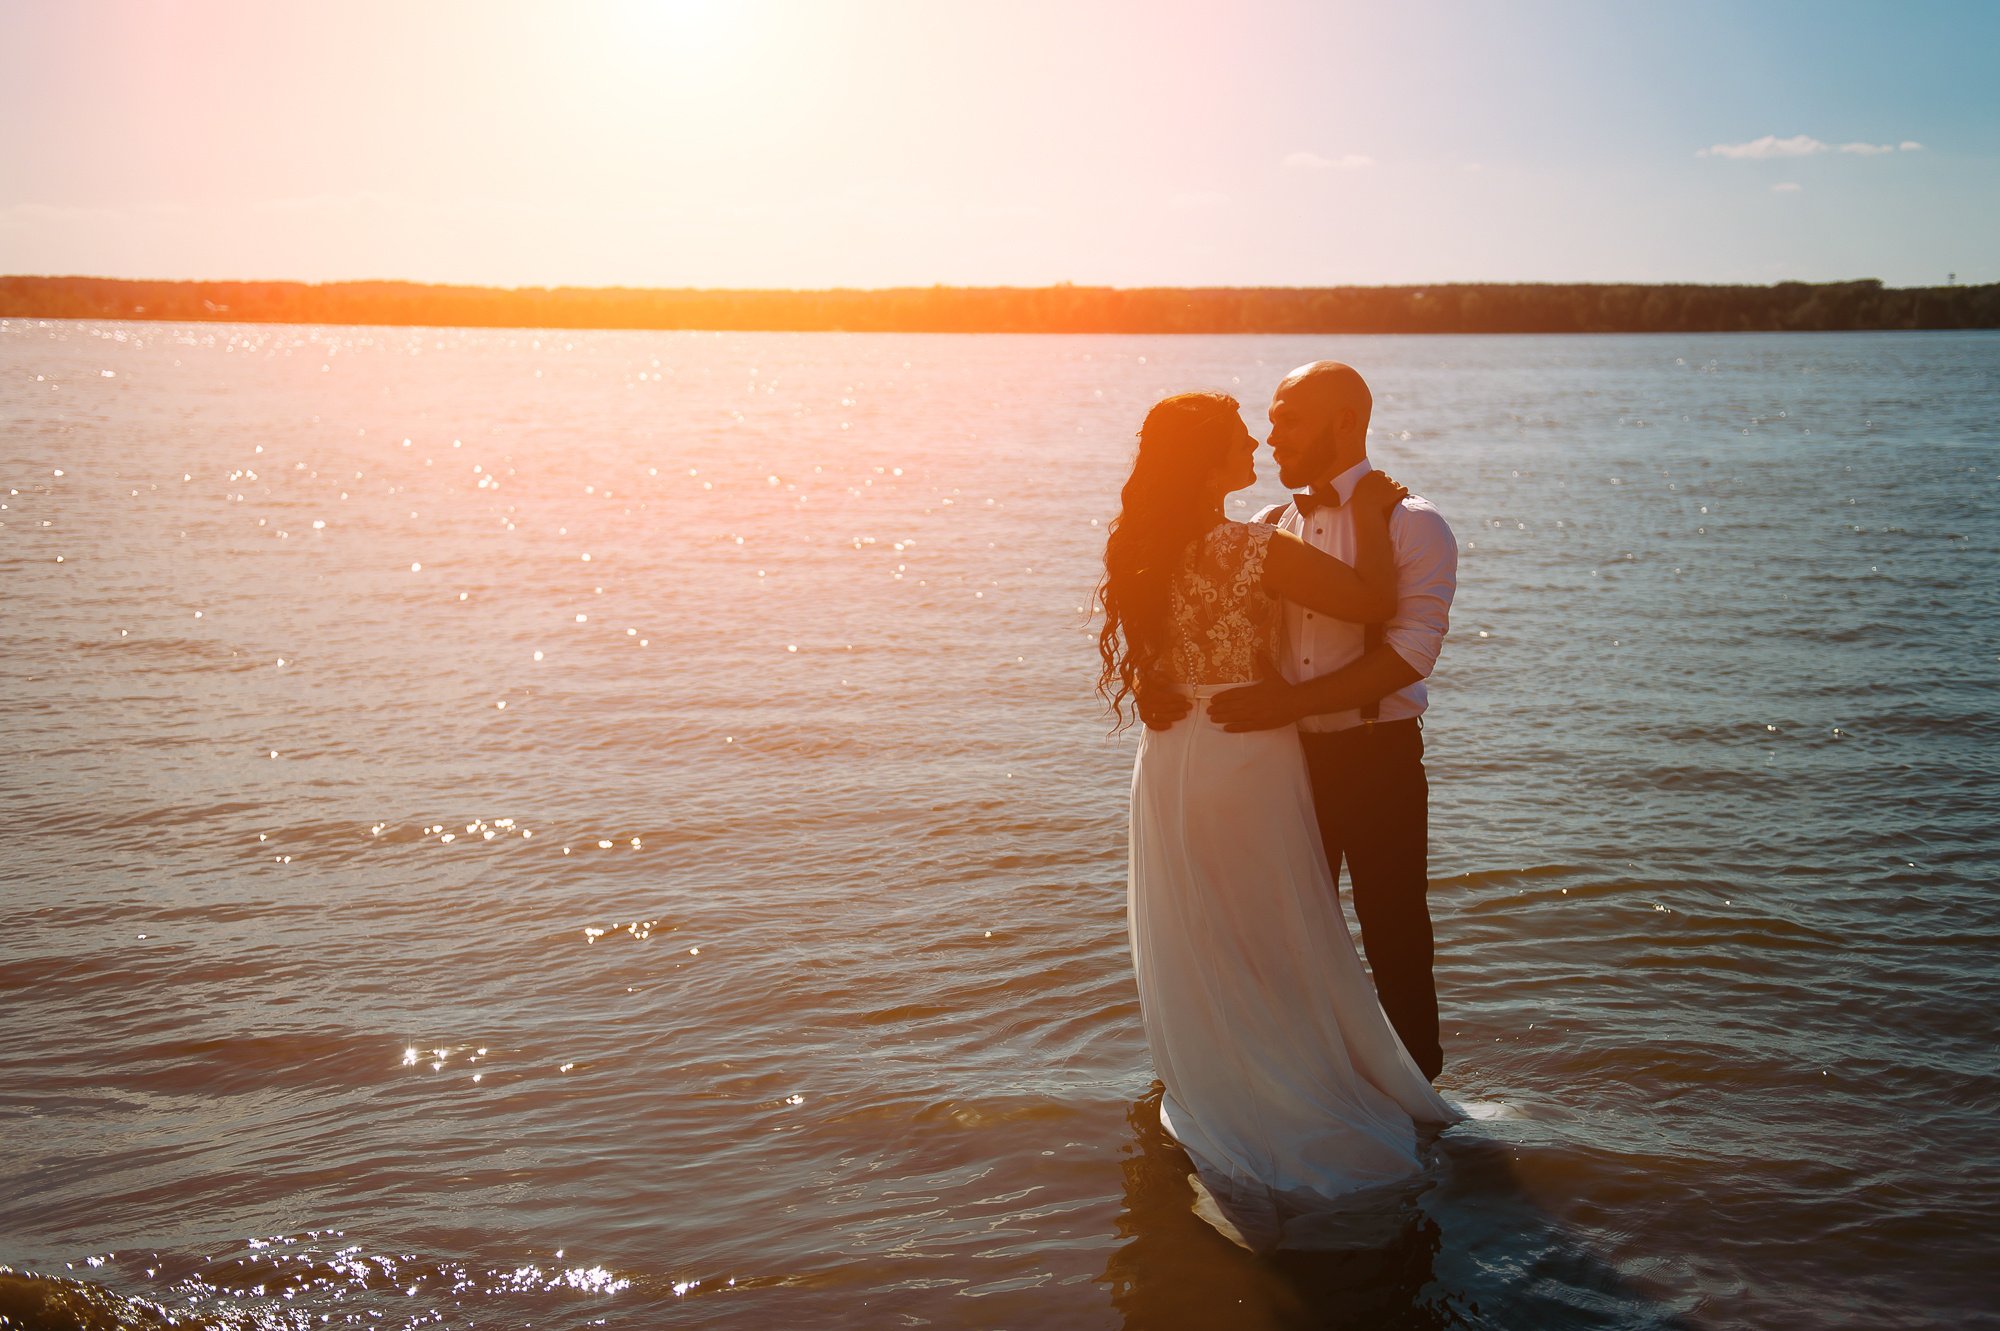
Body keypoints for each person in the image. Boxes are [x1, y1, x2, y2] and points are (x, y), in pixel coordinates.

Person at [1099, 390, 1460, 1250]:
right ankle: (1312, 1087)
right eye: (1237, 436)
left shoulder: (1143, 548)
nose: (1257, 440)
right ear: (1205, 460)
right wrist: (1372, 508)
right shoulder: (1249, 543)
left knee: (1207, 930)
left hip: (1170, 762)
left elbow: (1154, 663)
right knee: (1286, 928)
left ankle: (1217, 1078)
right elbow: (1375, 602)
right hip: (1246, 749)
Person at [1138, 361, 1457, 1082]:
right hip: (1277, 764)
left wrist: (1289, 704)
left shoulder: (1415, 524)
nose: (1271, 433)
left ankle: (1420, 1098)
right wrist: (1159, 682)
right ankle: (1297, 1079)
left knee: (1394, 932)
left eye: (1288, 418)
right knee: (1279, 930)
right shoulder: (1266, 526)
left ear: (1345, 422)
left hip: (1377, 757)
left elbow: (1411, 651)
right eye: (1269, 421)